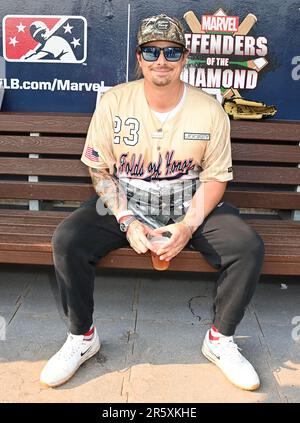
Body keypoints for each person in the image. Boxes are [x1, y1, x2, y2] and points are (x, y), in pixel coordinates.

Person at [40, 13, 265, 391]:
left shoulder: (209, 108)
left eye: (172, 51)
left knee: (247, 246)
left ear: (185, 57)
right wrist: (126, 219)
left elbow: (215, 178)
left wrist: (187, 226)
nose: (162, 59)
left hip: (188, 202)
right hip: (127, 200)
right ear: (140, 58)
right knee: (68, 240)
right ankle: (82, 337)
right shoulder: (114, 101)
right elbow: (100, 171)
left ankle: (220, 340)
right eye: (152, 50)